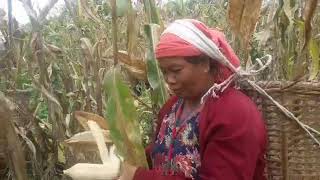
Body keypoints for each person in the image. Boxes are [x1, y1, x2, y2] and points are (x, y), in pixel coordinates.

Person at [119, 19, 267, 180]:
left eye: (176, 70)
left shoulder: (235, 112)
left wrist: (139, 176)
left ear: (205, 63)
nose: (169, 79)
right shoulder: (172, 107)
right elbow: (162, 150)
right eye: (164, 72)